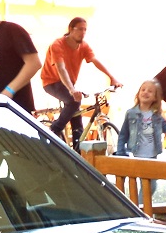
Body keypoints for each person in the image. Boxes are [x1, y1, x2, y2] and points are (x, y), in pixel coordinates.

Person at [40, 17, 121, 149]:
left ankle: (78, 150)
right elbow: (61, 69)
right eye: (80, 29)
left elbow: (95, 61)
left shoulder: (83, 46)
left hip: (68, 84)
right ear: (71, 29)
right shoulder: (57, 45)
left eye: (85, 30)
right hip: (51, 82)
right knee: (74, 101)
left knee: (77, 120)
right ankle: (54, 129)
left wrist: (112, 77)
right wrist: (72, 90)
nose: (83, 33)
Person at [116, 80, 166, 200]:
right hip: (135, 154)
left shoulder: (157, 115)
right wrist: (121, 152)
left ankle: (139, 205)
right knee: (133, 182)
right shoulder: (131, 113)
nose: (145, 92)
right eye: (143, 90)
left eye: (150, 91)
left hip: (152, 155)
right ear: (138, 94)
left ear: (155, 97)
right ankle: (135, 205)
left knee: (151, 185)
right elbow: (123, 134)